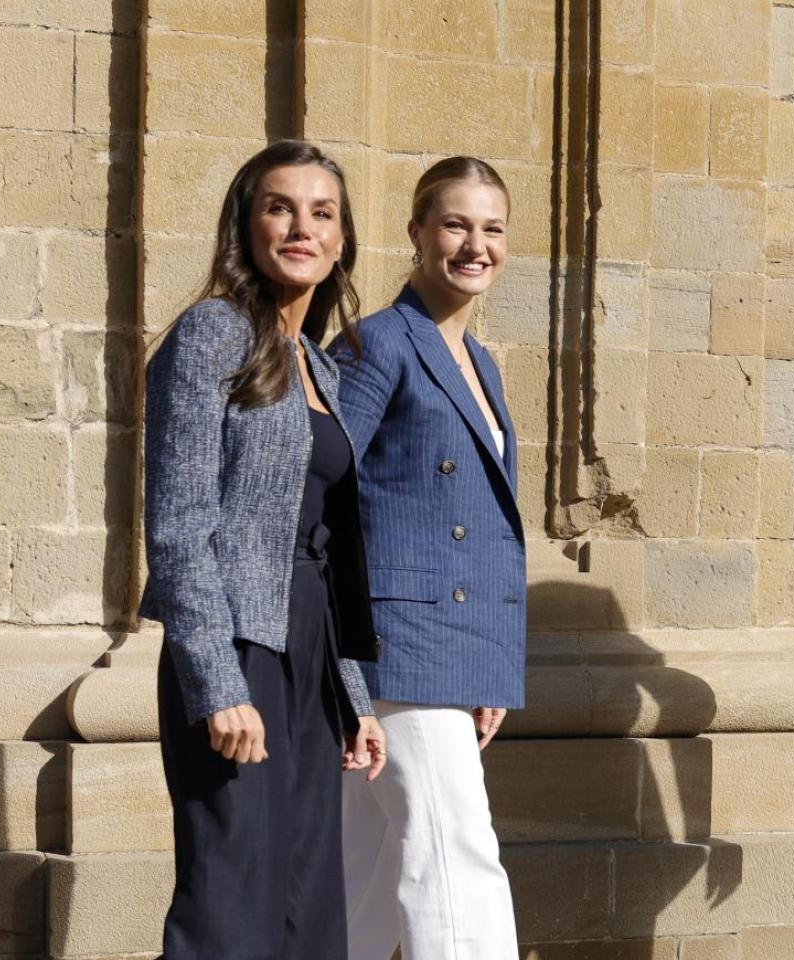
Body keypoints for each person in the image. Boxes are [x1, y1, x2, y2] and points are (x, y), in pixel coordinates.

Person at [140, 138, 388, 959]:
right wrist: (215, 682)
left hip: (311, 644)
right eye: (280, 207)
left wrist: (354, 694)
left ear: (342, 238)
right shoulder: (214, 332)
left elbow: (327, 538)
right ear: (245, 225)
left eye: (322, 213)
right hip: (239, 640)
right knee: (232, 894)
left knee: (309, 895)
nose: (301, 227)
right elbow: (179, 525)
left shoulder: (319, 361)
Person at [332, 156, 525, 960]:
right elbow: (325, 492)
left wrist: (488, 671)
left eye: (491, 228)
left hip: (450, 652)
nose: (474, 245)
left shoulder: (480, 362)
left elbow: (482, 528)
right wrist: (344, 668)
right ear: (415, 232)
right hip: (396, 648)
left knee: (369, 878)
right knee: (455, 865)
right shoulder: (376, 344)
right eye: (454, 224)